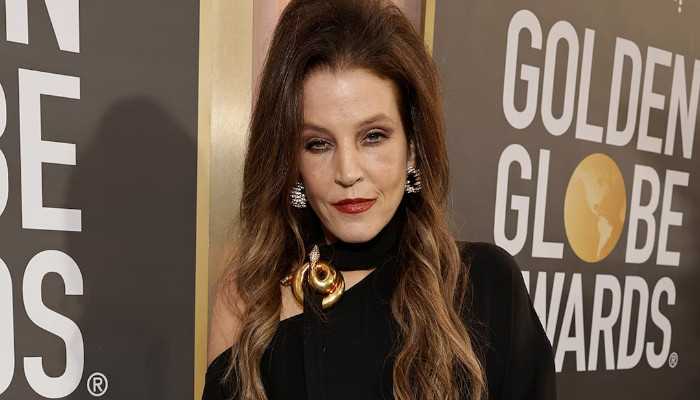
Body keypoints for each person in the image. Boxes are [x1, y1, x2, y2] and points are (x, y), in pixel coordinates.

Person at [203, 0, 556, 399]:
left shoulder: (485, 287)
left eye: (373, 136)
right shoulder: (251, 294)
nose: (347, 171)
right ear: (292, 162)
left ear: (413, 146)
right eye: (318, 143)